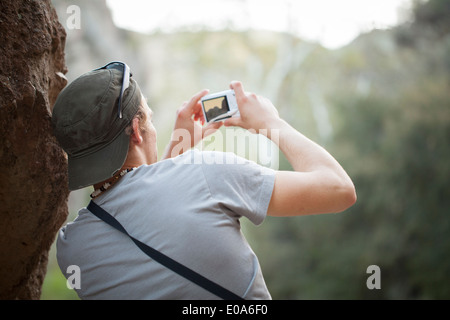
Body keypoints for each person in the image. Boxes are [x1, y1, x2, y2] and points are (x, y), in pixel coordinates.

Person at [52, 62, 356, 300]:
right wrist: (270, 123)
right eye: (151, 117)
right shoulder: (204, 172)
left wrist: (176, 155)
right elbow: (338, 189)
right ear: (136, 130)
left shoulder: (72, 249)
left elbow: (141, 212)